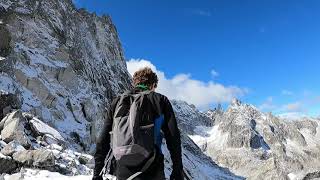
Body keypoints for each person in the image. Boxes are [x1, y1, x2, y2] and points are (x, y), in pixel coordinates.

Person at [93, 67, 184, 180]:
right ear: (153, 85)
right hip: (153, 170)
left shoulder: (117, 102)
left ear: (135, 83)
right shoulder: (160, 100)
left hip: (123, 171)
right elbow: (173, 138)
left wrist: (97, 173)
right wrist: (177, 170)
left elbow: (102, 140)